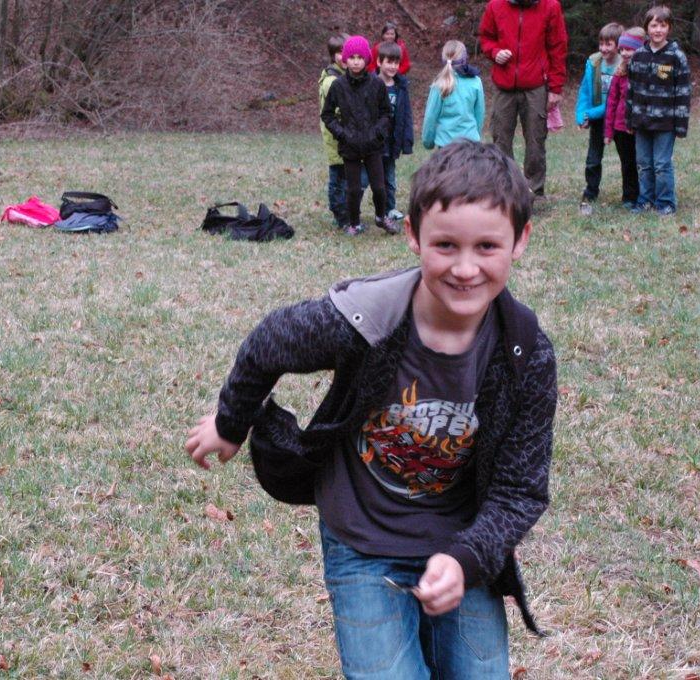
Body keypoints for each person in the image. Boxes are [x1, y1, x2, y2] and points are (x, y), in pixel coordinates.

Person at [186, 140, 557, 678]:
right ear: (413, 234)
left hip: (464, 541)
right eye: (446, 245)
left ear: (520, 240)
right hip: (362, 540)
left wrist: (466, 559)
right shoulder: (365, 319)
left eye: (487, 247)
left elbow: (520, 490)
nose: (465, 268)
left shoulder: (526, 352)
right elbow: (270, 342)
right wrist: (229, 423)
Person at [479, 0, 568, 201]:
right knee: (500, 139)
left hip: (536, 85)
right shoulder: (495, 6)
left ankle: (534, 192)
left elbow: (558, 48)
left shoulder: (550, 6)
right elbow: (486, 38)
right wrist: (495, 52)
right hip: (504, 85)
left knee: (536, 140)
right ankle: (504, 189)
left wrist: (555, 88)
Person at [321, 35, 400, 235]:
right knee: (354, 189)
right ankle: (354, 223)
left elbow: (387, 113)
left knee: (379, 187)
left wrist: (378, 133)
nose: (356, 61)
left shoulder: (377, 84)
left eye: (360, 57)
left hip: (373, 145)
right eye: (352, 57)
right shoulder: (338, 86)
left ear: (367, 59)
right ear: (345, 59)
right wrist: (342, 134)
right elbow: (327, 115)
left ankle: (381, 217)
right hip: (350, 146)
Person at [626, 5, 691, 216]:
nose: (658, 30)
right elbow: (631, 90)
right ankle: (645, 200)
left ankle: (665, 202)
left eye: (663, 25)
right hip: (641, 121)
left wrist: (681, 125)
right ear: (647, 28)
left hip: (666, 123)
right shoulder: (638, 56)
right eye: (654, 25)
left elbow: (683, 93)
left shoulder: (676, 56)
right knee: (644, 163)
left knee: (661, 164)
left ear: (669, 28)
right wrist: (629, 119)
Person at [575, 22, 624, 215]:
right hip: (597, 119)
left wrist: (591, 113)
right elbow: (585, 91)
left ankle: (631, 194)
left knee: (627, 158)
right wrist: (582, 115)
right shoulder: (594, 62)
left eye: (608, 44)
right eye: (601, 43)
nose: (603, 48)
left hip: (618, 117)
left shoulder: (624, 64)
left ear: (618, 45)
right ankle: (591, 191)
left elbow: (615, 100)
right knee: (593, 158)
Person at [603, 27, 646, 211]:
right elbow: (611, 103)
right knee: (627, 163)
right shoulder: (619, 74)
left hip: (641, 127)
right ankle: (629, 196)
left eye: (629, 49)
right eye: (622, 49)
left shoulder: (646, 74)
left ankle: (646, 195)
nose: (625, 53)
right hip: (621, 128)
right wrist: (608, 132)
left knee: (643, 163)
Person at [375, 41, 414, 224]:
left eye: (396, 63)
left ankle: (389, 208)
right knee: (366, 179)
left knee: (389, 179)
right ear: (379, 62)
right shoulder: (372, 84)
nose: (393, 66)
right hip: (373, 142)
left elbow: (406, 115)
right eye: (389, 62)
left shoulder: (401, 87)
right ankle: (354, 210)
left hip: (392, 142)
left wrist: (406, 140)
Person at [421, 40, 486, 150]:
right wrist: (476, 134)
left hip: (445, 146)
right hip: (471, 144)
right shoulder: (476, 82)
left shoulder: (439, 84)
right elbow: (480, 113)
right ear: (464, 58)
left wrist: (428, 141)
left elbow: (431, 116)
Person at [319, 33, 352, 229]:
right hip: (337, 139)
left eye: (349, 53)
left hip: (346, 138)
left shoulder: (344, 76)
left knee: (347, 177)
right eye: (341, 53)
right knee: (338, 179)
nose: (345, 57)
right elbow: (337, 111)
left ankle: (346, 212)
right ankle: (341, 215)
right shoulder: (332, 81)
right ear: (333, 55)